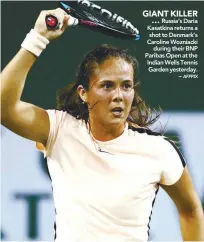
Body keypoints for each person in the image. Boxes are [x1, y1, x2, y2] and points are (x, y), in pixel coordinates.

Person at [1, 8, 204, 242]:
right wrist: (37, 39)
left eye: (126, 86)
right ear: (84, 93)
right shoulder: (59, 129)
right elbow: (4, 108)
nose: (119, 95)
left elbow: (191, 210)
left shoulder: (160, 150)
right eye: (107, 86)